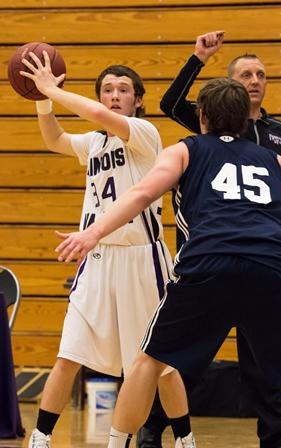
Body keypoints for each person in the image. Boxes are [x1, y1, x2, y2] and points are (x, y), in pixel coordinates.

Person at [54, 77, 281, 448]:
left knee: (148, 362)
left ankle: (118, 443)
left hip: (209, 264)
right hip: (272, 265)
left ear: (202, 115)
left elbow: (142, 193)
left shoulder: (184, 149)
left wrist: (92, 233)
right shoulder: (272, 159)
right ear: (245, 121)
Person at [20, 52, 195, 448]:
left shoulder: (145, 134)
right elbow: (54, 139)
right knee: (69, 353)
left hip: (142, 259)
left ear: (137, 101)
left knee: (160, 365)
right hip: (96, 258)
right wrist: (42, 99)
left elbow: (100, 117)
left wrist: (51, 88)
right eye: (107, 90)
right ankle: (40, 438)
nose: (114, 95)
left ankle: (186, 439)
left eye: (123, 90)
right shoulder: (95, 143)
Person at [140, 30, 281, 448]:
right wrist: (198, 58)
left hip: (265, 256)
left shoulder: (276, 133)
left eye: (261, 74)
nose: (254, 80)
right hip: (209, 255)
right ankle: (152, 428)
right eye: (246, 74)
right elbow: (169, 105)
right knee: (182, 357)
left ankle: (277, 436)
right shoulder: (205, 126)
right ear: (230, 85)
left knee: (263, 359)